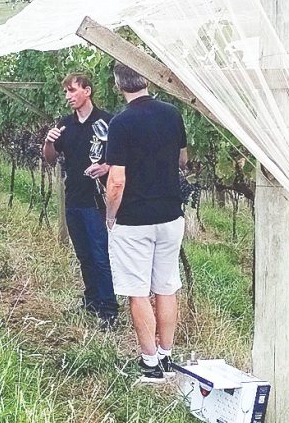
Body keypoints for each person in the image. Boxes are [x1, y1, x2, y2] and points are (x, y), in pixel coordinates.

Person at [103, 62, 188, 384]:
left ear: (117, 84)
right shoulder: (172, 114)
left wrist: (111, 215)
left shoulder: (121, 123)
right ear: (147, 79)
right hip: (170, 216)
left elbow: (117, 181)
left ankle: (150, 364)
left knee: (138, 292)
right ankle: (166, 357)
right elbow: (182, 159)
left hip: (134, 221)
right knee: (166, 287)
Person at [43, 73, 118, 327]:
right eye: (66, 92)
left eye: (72, 90)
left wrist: (106, 167)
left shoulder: (107, 122)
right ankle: (92, 300)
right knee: (84, 254)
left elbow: (121, 160)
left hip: (98, 200)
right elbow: (50, 159)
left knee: (100, 254)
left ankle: (109, 308)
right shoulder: (65, 125)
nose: (68, 96)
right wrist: (49, 142)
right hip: (73, 197)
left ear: (87, 91)